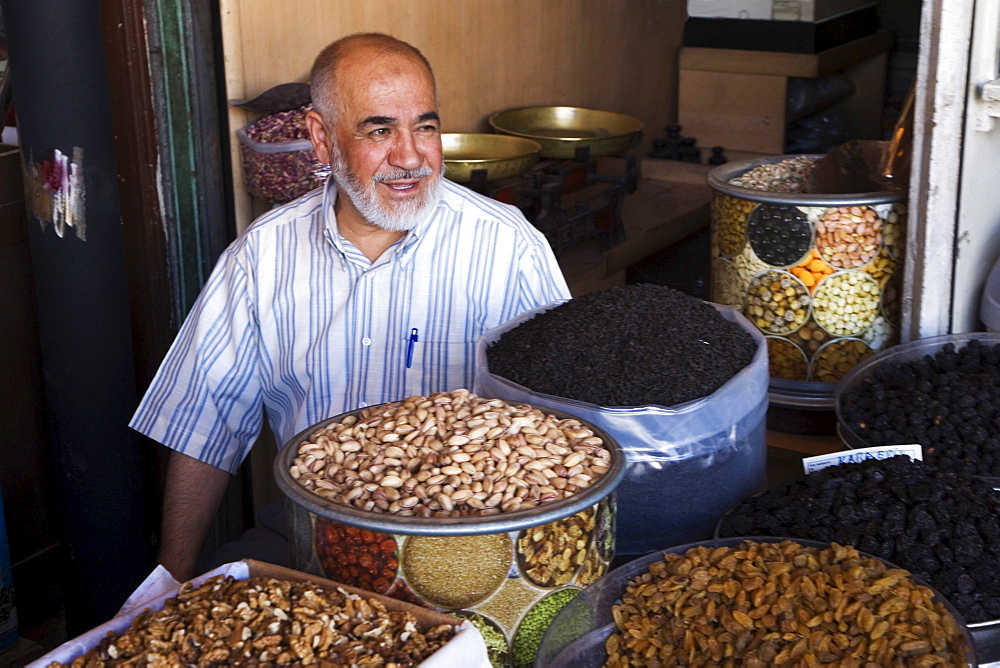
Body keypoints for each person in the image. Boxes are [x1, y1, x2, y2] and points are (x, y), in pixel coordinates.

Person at [129, 32, 571, 582]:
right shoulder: (261, 258)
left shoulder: (508, 248)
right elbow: (202, 428)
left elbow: (563, 434)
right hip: (309, 528)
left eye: (425, 127)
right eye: (380, 130)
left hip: (470, 541)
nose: (410, 157)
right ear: (321, 137)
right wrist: (167, 582)